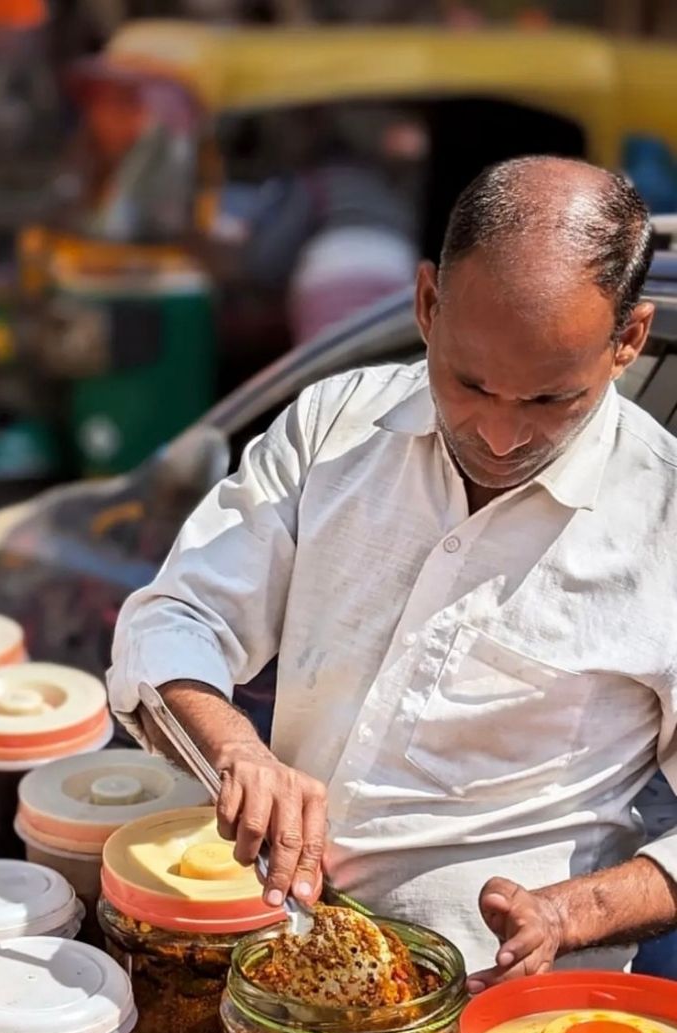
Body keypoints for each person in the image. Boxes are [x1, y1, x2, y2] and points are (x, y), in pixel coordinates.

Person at [108, 156, 677, 989]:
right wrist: (240, 751)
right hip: (281, 953)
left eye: (551, 401)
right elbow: (177, 617)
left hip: (508, 1014)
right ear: (425, 305)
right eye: (470, 383)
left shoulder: (664, 520)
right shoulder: (333, 427)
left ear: (628, 340)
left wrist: (568, 913)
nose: (502, 434)